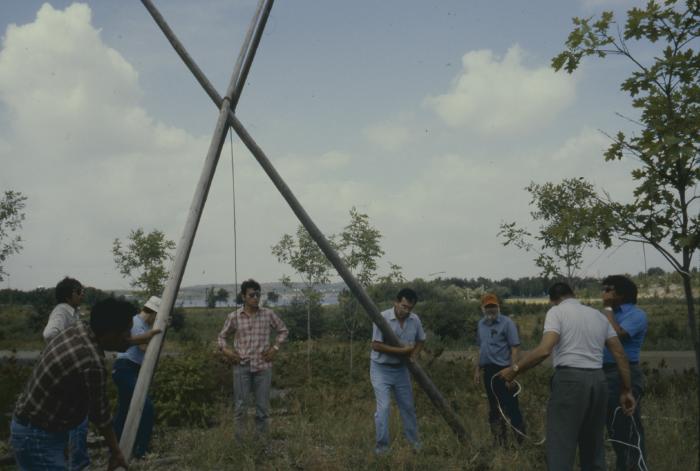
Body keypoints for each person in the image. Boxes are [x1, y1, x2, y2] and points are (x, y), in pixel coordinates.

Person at [498, 282, 636, 470]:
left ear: (553, 300)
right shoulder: (598, 316)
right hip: (598, 380)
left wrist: (514, 369)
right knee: (594, 447)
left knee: (561, 445)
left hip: (570, 381)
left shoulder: (556, 312)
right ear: (574, 294)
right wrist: (626, 390)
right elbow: (619, 353)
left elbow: (545, 350)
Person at [11, 298, 159, 470]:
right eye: (127, 332)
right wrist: (116, 452)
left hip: (36, 428)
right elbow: (100, 415)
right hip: (38, 437)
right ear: (111, 333)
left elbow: (115, 341)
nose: (129, 337)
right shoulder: (90, 361)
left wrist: (142, 338)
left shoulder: (79, 329)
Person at [217, 279, 288, 440]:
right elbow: (221, 337)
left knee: (262, 409)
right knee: (241, 408)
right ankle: (240, 446)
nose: (255, 298)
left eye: (258, 294)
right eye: (252, 295)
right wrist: (227, 351)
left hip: (263, 367)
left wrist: (274, 348)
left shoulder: (268, 314)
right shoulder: (234, 316)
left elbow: (283, 331)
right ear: (243, 296)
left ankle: (262, 444)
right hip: (241, 367)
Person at [370, 287, 425, 454]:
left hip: (401, 370)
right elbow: (376, 345)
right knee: (384, 407)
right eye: (403, 306)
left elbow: (421, 340)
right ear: (396, 302)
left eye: (410, 308)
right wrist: (402, 351)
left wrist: (414, 355)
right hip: (381, 369)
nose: (406, 311)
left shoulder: (414, 320)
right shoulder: (382, 318)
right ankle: (382, 449)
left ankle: (415, 445)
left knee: (408, 407)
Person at [43, 277, 90, 471]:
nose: (82, 294)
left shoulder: (73, 312)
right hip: (67, 373)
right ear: (70, 294)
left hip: (70, 373)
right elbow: (49, 334)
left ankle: (71, 461)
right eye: (79, 291)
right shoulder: (61, 311)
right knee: (79, 418)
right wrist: (70, 350)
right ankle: (78, 464)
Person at [601, 275, 648, 470]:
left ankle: (636, 466)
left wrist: (608, 309)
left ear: (620, 293)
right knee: (614, 426)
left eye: (608, 289)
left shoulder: (637, 315)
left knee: (627, 427)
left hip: (625, 373)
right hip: (604, 373)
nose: (604, 293)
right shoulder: (608, 314)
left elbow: (617, 334)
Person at [112, 296, 162, 459]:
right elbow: (142, 347)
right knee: (146, 406)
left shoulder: (142, 323)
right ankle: (141, 450)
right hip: (126, 368)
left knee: (124, 409)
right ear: (154, 313)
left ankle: (116, 448)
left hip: (127, 369)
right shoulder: (136, 323)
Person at [473, 293, 525, 445]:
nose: (491, 310)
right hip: (488, 372)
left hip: (504, 370)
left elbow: (515, 348)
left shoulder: (507, 323)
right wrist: (477, 369)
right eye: (487, 307)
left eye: (493, 306)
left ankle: (520, 441)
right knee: (494, 408)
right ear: (482, 308)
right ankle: (500, 443)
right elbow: (479, 348)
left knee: (511, 407)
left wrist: (512, 374)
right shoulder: (481, 324)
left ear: (498, 307)